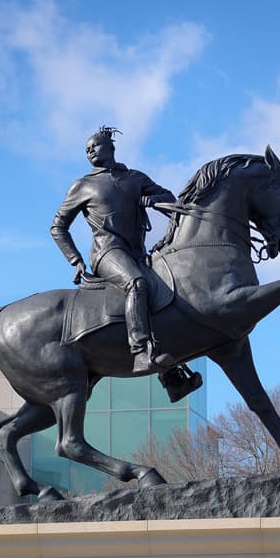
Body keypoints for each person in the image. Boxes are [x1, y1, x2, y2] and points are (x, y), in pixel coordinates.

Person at [50, 126, 176, 373]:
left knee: (171, 298)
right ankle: (140, 353)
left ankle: (172, 377)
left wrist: (154, 200)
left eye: (94, 146)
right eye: (87, 150)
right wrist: (74, 259)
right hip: (107, 253)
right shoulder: (83, 185)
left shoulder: (135, 178)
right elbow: (58, 227)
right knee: (136, 283)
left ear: (111, 148)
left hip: (138, 254)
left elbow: (170, 199)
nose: (90, 152)